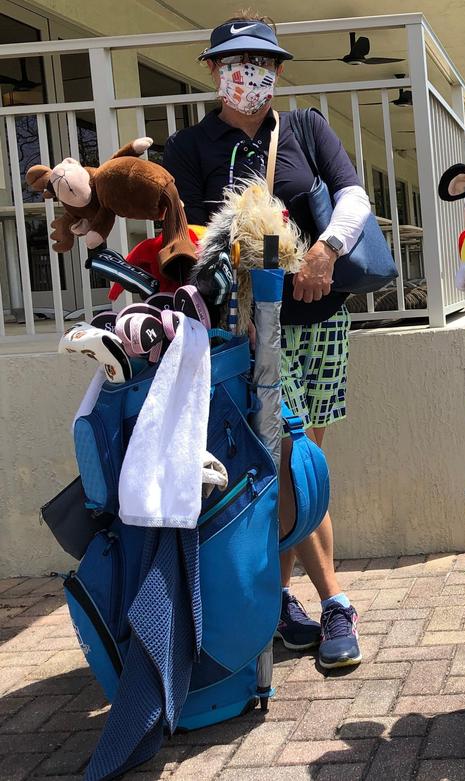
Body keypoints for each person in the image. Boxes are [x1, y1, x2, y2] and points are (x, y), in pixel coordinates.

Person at [162, 11, 373, 669]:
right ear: (212, 72)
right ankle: (335, 600)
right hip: (246, 331)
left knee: (301, 464)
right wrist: (239, 295)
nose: (246, 75)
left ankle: (280, 601)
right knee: (282, 461)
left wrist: (326, 252)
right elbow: (187, 241)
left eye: (259, 63)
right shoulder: (190, 148)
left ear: (277, 71)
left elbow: (354, 197)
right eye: (232, 63)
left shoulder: (306, 127)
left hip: (320, 314)